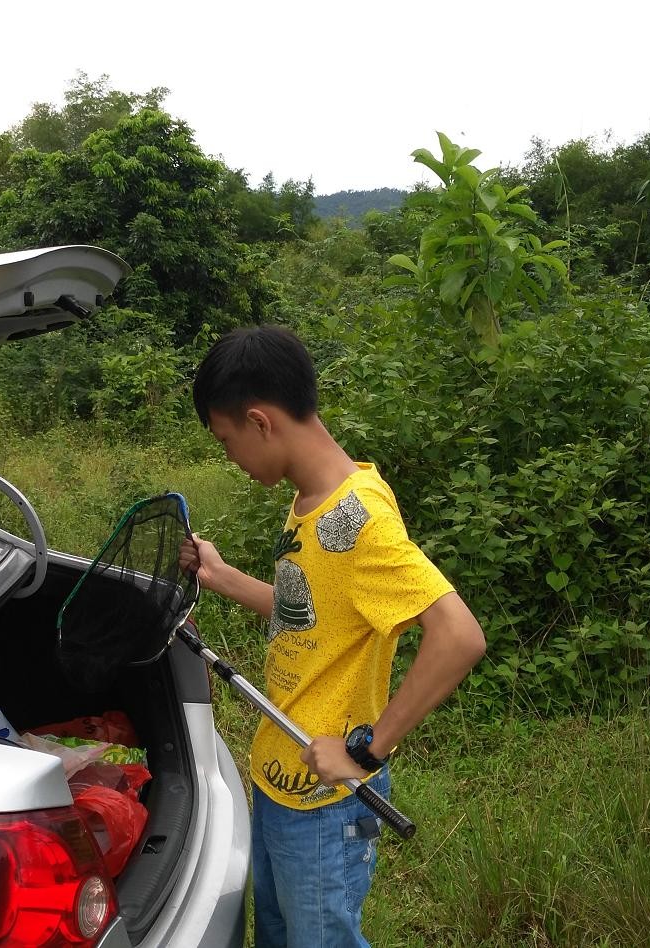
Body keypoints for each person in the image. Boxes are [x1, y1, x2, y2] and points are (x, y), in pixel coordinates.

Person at [179, 325, 486, 948]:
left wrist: (365, 753)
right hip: (280, 780)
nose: (230, 458)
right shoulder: (310, 500)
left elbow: (459, 637)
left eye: (226, 440)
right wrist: (221, 576)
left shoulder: (359, 518)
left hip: (326, 800)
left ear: (261, 421)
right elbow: (313, 613)